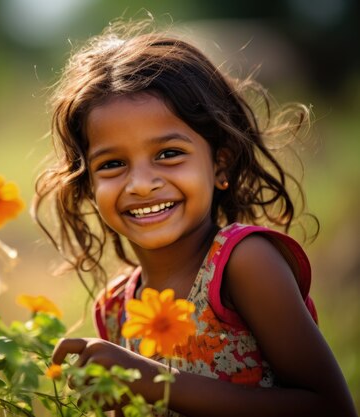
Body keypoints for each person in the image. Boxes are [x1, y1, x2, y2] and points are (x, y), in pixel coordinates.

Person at [32, 20, 357, 417]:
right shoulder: (116, 309)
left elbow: (330, 408)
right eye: (113, 163)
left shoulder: (244, 263)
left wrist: (154, 383)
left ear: (220, 163)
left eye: (168, 154)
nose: (141, 184)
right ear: (87, 185)